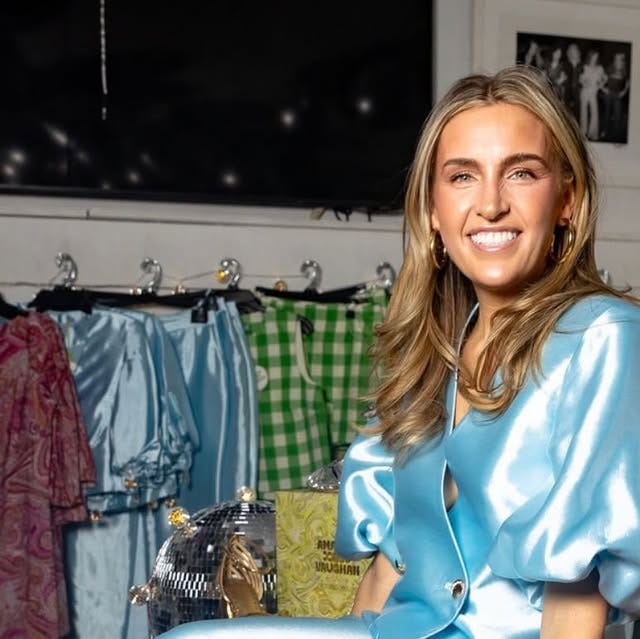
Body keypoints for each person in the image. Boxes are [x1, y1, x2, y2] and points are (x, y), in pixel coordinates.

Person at [157, 65, 640, 639]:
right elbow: (389, 570)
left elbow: (577, 591)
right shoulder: (435, 352)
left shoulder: (602, 337)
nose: (490, 204)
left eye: (521, 173)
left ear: (566, 200)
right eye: (462, 176)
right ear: (433, 211)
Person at [601, 52, 630, 142]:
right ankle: (605, 131)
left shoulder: (625, 69)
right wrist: (603, 88)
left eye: (620, 58)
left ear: (622, 60)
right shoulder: (609, 68)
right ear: (614, 59)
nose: (617, 60)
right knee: (607, 113)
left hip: (618, 95)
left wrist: (623, 92)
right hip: (608, 94)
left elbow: (628, 83)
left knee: (618, 114)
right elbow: (602, 80)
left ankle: (616, 135)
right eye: (616, 58)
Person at [579, 50, 607, 140]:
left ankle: (593, 133)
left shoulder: (600, 68)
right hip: (585, 91)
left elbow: (605, 78)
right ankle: (583, 133)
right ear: (590, 56)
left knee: (594, 112)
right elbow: (581, 80)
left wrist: (600, 85)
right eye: (593, 56)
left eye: (596, 56)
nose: (595, 58)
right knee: (583, 112)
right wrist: (585, 83)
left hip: (593, 92)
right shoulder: (585, 67)